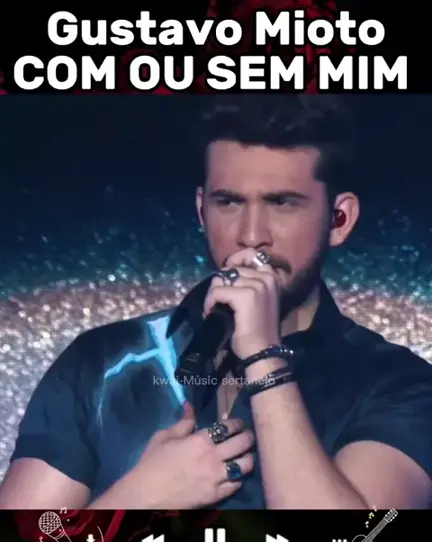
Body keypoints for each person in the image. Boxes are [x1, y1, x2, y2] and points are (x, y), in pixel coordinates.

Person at [1, 95, 432, 510]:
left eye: (282, 203)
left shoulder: (398, 385)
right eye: (229, 202)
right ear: (201, 210)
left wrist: (263, 357)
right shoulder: (102, 363)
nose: (251, 235)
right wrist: (133, 502)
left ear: (339, 220)